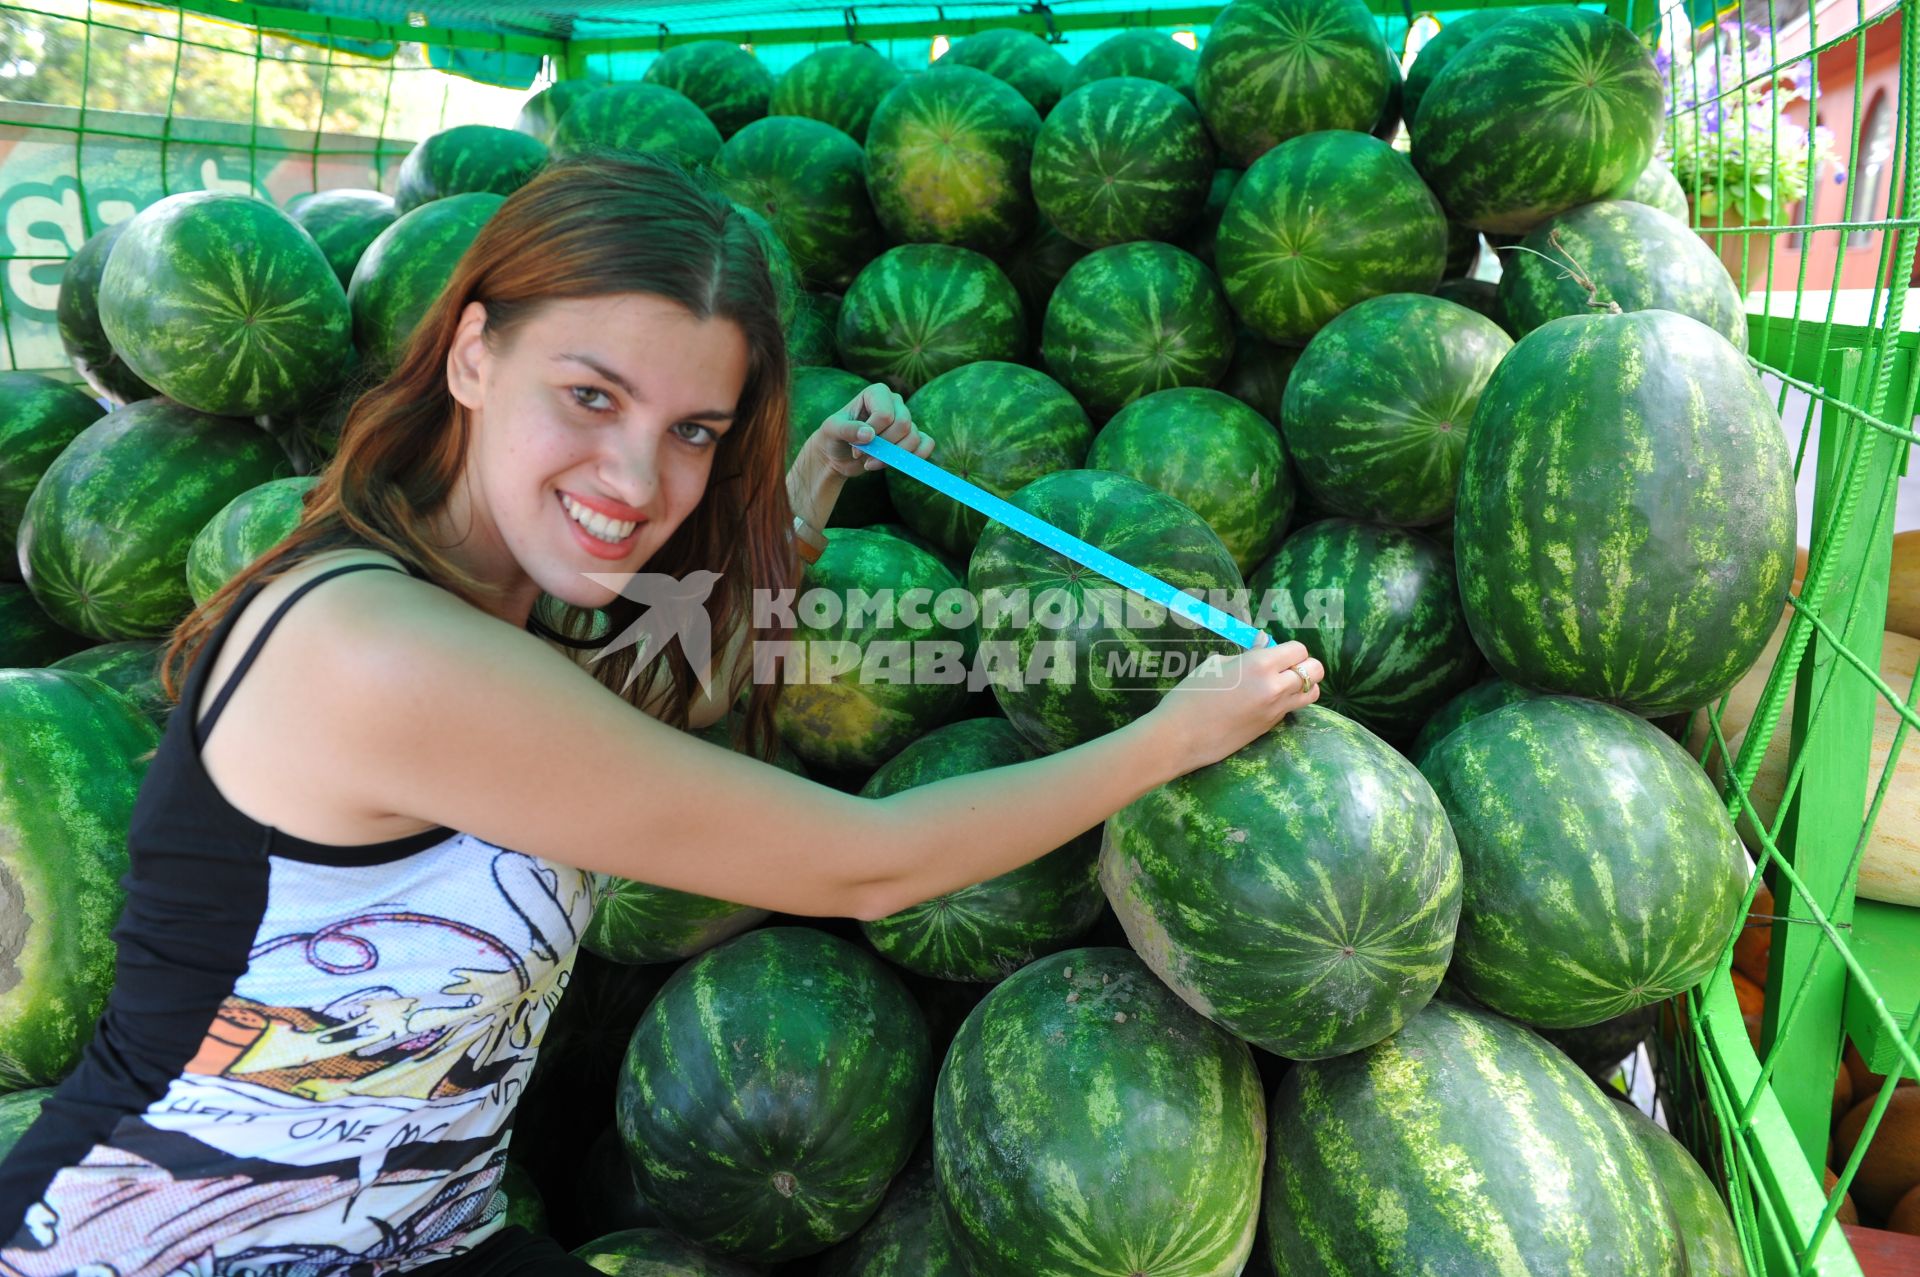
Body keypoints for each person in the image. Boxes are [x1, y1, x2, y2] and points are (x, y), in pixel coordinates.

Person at [0, 153, 1323, 1276]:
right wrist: (1173, 737)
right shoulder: (383, 652)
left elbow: (624, 718)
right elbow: (869, 860)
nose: (637, 476)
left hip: (416, 1233)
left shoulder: (478, 602)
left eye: (695, 429)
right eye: (591, 396)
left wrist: (803, 495)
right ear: (471, 352)